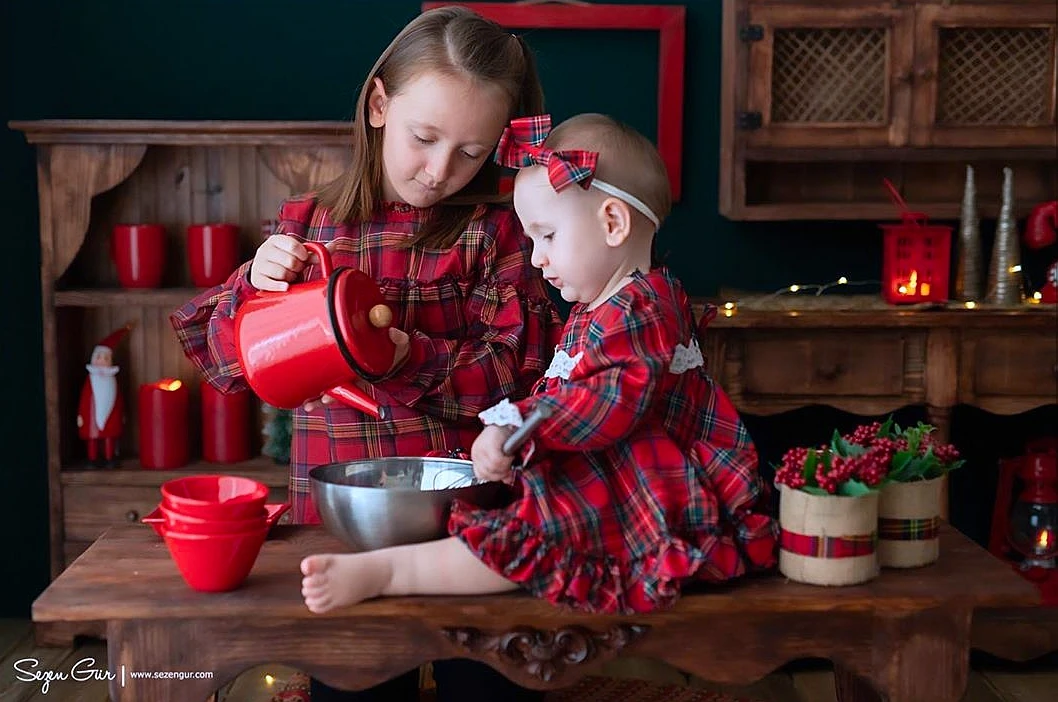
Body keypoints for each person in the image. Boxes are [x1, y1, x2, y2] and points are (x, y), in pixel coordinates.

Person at [170, 7, 560, 702]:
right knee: (354, 683)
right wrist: (253, 287)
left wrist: (404, 355)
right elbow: (230, 363)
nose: (441, 170)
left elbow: (516, 370)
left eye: (470, 152)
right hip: (342, 531)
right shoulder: (308, 226)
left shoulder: (502, 234)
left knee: (493, 681)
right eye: (425, 137)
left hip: (470, 528)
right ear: (379, 105)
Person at [299, 113, 778, 618]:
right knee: (516, 521)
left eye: (546, 237)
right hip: (610, 469)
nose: (535, 261)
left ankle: (391, 573)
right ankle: (398, 566)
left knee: (530, 536)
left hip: (644, 485)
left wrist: (517, 429)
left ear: (613, 223)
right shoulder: (603, 307)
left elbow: (608, 401)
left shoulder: (640, 309)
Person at [77, 325, 131, 467]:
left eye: (106, 358)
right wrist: (81, 416)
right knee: (93, 439)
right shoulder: (91, 380)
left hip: (111, 418)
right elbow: (85, 400)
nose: (102, 361)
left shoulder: (112, 381)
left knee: (109, 438)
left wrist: (122, 414)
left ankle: (109, 457)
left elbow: (117, 399)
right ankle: (92, 458)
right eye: (99, 357)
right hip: (91, 419)